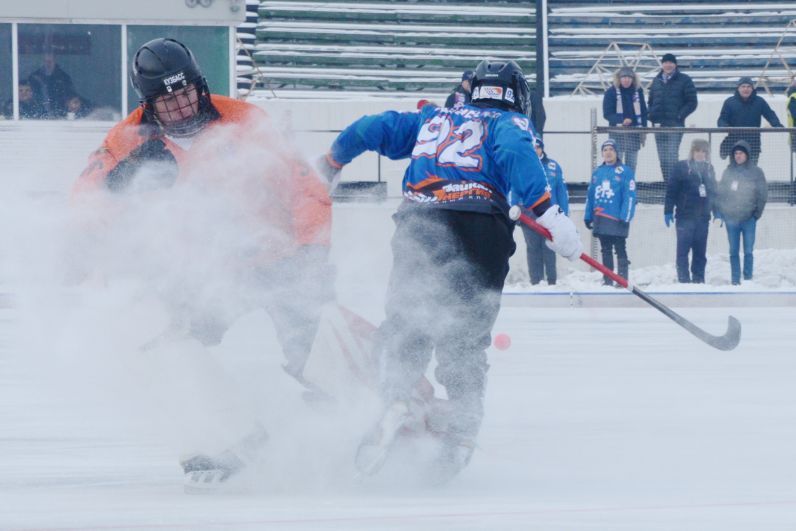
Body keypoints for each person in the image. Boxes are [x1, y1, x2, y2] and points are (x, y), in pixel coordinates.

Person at [73, 38, 334, 489]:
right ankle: (226, 434)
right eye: (166, 99)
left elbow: (304, 185)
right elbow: (84, 202)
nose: (179, 105)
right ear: (147, 102)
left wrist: (311, 248)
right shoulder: (127, 139)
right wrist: (120, 181)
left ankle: (354, 420)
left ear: (200, 85)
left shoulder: (247, 119)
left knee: (316, 344)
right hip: (202, 271)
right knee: (168, 345)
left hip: (273, 255)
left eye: (185, 93)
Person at [318, 59, 581, 482]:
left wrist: (333, 159)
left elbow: (372, 127)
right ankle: (461, 427)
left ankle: (397, 396)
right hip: (479, 225)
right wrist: (549, 214)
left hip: (421, 222)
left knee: (409, 321)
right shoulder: (509, 122)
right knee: (464, 338)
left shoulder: (433, 117)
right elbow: (515, 153)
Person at [664, 139, 718, 284]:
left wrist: (717, 211)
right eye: (697, 151)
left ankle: (699, 279)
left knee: (700, 252)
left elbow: (713, 192)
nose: (700, 154)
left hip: (703, 217)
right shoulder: (681, 167)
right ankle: (683, 279)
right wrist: (668, 210)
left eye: (703, 151)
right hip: (684, 216)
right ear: (692, 152)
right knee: (683, 251)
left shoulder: (709, 169)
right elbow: (671, 190)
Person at [584, 139, 637, 285]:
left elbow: (630, 195)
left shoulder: (625, 171)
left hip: (617, 218)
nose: (608, 152)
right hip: (601, 217)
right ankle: (607, 279)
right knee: (605, 249)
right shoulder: (597, 172)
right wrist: (588, 216)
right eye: (605, 150)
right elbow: (590, 196)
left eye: (611, 149)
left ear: (616, 152)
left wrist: (625, 215)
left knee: (620, 248)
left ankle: (622, 279)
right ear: (602, 153)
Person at [716, 140, 768, 285]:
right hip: (731, 219)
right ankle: (735, 280)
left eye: (741, 153)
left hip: (748, 219)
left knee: (748, 251)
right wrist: (723, 212)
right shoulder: (728, 171)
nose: (738, 156)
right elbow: (721, 193)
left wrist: (756, 214)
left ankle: (748, 278)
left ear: (747, 155)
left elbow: (762, 194)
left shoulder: (756, 172)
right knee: (733, 251)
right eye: (736, 153)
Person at [520, 137, 570, 285]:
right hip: (529, 215)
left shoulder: (554, 166)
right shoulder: (522, 166)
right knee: (533, 248)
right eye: (532, 148)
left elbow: (562, 192)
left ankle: (552, 281)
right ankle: (535, 281)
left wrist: (563, 213)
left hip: (550, 215)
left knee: (549, 247)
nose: (535, 150)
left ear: (542, 148)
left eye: (537, 147)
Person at [647, 53, 698, 182]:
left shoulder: (684, 79)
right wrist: (651, 115)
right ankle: (667, 185)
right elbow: (651, 101)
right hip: (659, 126)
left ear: (675, 64)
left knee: (671, 155)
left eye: (671, 62)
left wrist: (680, 115)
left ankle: (675, 184)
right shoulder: (656, 80)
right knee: (662, 157)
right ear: (662, 64)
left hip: (675, 125)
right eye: (665, 62)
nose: (668, 65)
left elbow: (692, 102)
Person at [717, 77, 783, 165]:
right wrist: (724, 126)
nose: (746, 89)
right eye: (743, 86)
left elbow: (770, 115)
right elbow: (722, 119)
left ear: (752, 88)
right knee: (735, 170)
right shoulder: (729, 102)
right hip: (735, 143)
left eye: (748, 86)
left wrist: (777, 125)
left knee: (752, 171)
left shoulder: (759, 101)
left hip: (753, 143)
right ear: (738, 88)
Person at [602, 66, 648, 172]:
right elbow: (607, 113)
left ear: (633, 79)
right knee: (616, 163)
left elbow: (644, 112)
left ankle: (629, 185)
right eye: (624, 77)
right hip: (617, 133)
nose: (626, 80)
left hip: (634, 133)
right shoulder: (611, 92)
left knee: (632, 164)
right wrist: (621, 120)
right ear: (619, 79)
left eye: (629, 77)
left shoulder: (638, 92)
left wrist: (644, 129)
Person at [27, 51, 76, 119]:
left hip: (60, 114)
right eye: (46, 61)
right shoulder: (33, 78)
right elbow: (29, 97)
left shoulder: (64, 78)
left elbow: (70, 97)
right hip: (38, 115)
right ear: (42, 62)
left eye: (51, 61)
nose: (48, 64)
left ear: (55, 61)